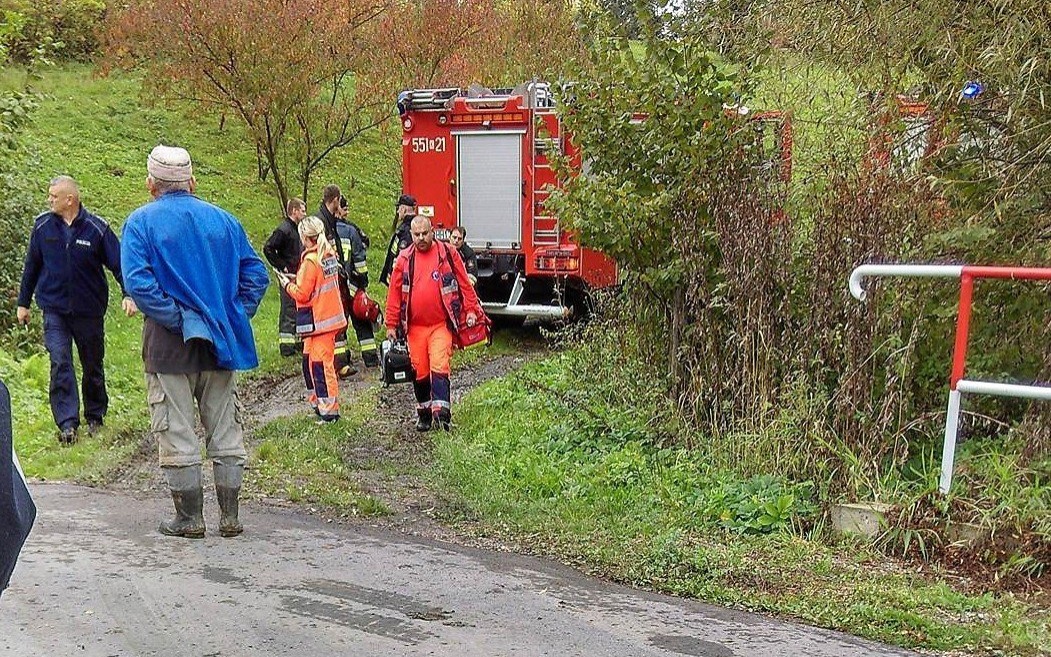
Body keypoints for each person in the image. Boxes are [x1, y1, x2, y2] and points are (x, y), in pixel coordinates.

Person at [121, 145, 270, 539]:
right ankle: (230, 517)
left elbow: (139, 284)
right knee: (225, 427)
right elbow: (257, 275)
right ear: (192, 182)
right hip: (222, 344)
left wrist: (181, 320)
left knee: (176, 430)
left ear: (151, 184)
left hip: (169, 348)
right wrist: (232, 314)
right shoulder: (224, 221)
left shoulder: (140, 223)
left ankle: (189, 519)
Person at [16, 176, 138, 444]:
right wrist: (23, 303)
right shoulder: (43, 227)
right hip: (54, 309)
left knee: (92, 363)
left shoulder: (97, 229)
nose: (49, 200)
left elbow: (120, 266)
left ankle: (95, 415)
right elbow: (31, 267)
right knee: (60, 361)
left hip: (89, 310)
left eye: (53, 196)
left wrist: (129, 294)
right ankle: (67, 423)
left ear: (69, 199)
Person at [384, 216, 484, 432]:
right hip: (415, 328)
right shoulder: (404, 259)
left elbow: (465, 284)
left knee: (439, 365)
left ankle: (442, 416)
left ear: (432, 232)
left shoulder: (447, 253)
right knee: (420, 371)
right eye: (416, 235)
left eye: (425, 233)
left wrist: (471, 310)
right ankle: (424, 413)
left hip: (440, 324)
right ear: (411, 235)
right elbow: (394, 294)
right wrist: (391, 325)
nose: (421, 238)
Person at [277, 216, 348, 423]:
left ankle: (329, 411)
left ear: (304, 237)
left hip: (319, 321)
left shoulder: (310, 260)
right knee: (311, 362)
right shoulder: (327, 255)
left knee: (320, 366)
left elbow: (302, 293)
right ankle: (320, 403)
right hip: (327, 319)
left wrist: (286, 285)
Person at [334, 196, 379, 369]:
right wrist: (363, 281)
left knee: (339, 325)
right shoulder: (351, 230)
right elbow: (360, 258)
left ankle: (342, 362)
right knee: (362, 320)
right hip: (353, 283)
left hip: (336, 288)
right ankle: (371, 359)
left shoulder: (324, 230)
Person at [263, 198, 306, 357]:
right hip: (288, 276)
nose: (304, 213)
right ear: (294, 211)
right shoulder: (284, 229)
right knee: (288, 309)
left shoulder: (295, 229)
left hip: (298, 275)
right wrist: (283, 267)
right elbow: (268, 248)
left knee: (297, 309)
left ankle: (297, 343)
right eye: (302, 210)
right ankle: (287, 348)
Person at [379, 194, 416, 286]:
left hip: (401, 281)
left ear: (403, 209)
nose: (398, 211)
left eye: (399, 208)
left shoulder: (406, 231)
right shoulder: (409, 227)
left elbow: (403, 259)